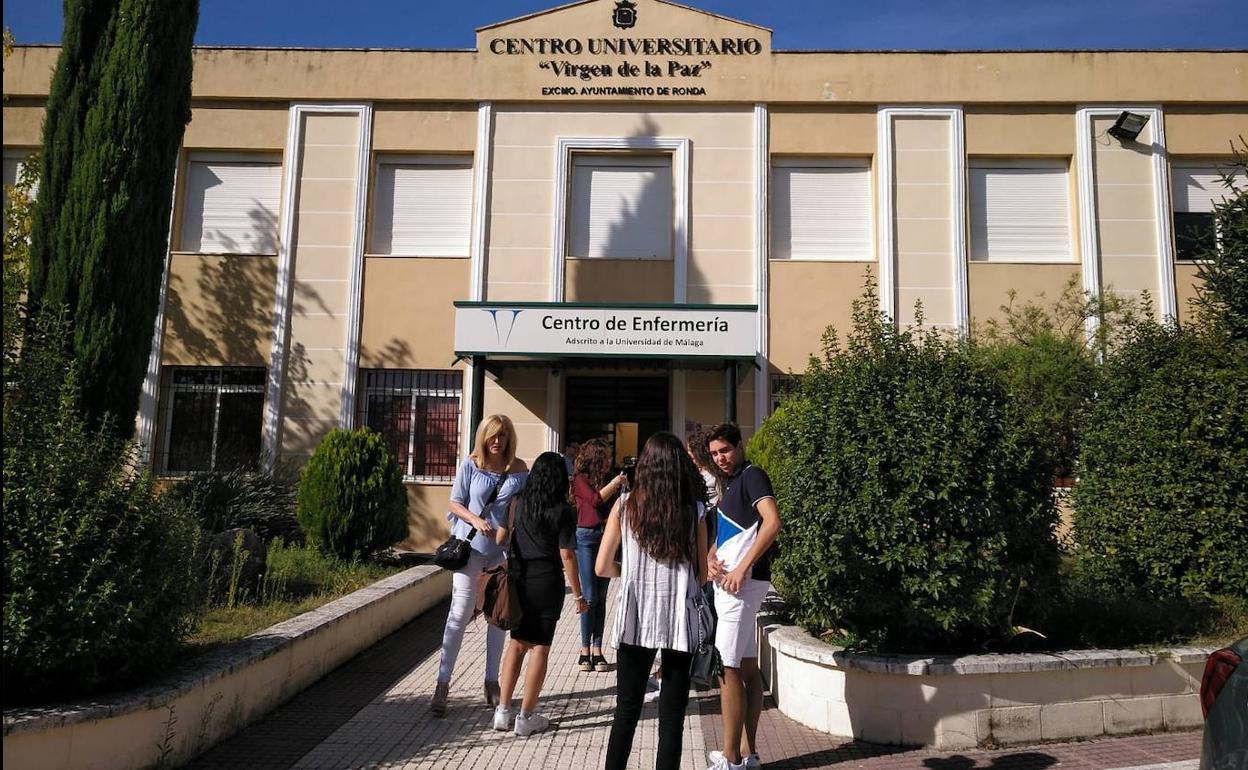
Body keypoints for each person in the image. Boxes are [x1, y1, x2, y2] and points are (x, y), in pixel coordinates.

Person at [597, 431, 708, 770]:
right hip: (679, 620)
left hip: (635, 617)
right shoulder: (695, 510)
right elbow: (702, 574)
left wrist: (630, 571)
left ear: (644, 465)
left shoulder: (624, 506)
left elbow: (602, 566)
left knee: (626, 710)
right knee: (672, 718)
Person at [430, 415, 528, 716]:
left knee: (498, 618)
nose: (497, 442)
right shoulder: (471, 465)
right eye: (492, 436)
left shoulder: (519, 469)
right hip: (470, 551)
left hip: (499, 556)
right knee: (459, 613)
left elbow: (526, 504)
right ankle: (442, 685)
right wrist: (475, 519)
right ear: (483, 437)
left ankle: (492, 683)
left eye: (503, 436)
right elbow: (454, 502)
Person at [704, 423, 781, 770]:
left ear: (740, 445)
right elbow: (727, 532)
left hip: (742, 587)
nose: (721, 458)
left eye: (725, 450)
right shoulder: (731, 483)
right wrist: (710, 558)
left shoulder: (752, 475)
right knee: (747, 669)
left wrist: (741, 568)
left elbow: (772, 522)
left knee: (727, 669)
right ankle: (748, 755)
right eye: (715, 453)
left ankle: (731, 758)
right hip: (733, 586)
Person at [491, 452, 585, 737]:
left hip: (518, 578)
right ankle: (526, 716)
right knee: (540, 648)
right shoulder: (564, 510)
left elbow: (500, 539)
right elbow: (567, 554)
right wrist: (579, 595)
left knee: (517, 644)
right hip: (546, 580)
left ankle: (503, 711)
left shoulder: (517, 502)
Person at [571, 438, 627, 672]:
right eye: (606, 458)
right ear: (596, 458)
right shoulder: (579, 479)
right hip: (585, 537)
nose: (609, 462)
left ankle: (597, 649)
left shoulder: (607, 481)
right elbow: (595, 501)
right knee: (590, 596)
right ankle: (584, 650)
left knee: (602, 598)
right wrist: (615, 483)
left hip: (606, 537)